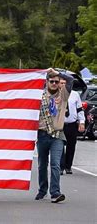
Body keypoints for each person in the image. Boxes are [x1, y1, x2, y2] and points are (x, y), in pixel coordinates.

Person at [35, 68, 73, 203]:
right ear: (47, 82)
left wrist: (57, 72)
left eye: (57, 82)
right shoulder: (40, 95)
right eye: (52, 81)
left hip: (57, 135)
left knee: (55, 164)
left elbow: (70, 80)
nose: (55, 84)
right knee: (42, 164)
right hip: (42, 134)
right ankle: (42, 190)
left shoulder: (63, 95)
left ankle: (55, 192)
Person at [59, 78, 85, 175]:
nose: (63, 85)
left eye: (65, 83)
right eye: (61, 83)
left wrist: (81, 122)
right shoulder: (56, 94)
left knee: (71, 145)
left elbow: (79, 109)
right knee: (59, 145)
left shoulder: (75, 94)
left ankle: (68, 166)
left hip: (71, 124)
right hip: (60, 124)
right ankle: (60, 166)